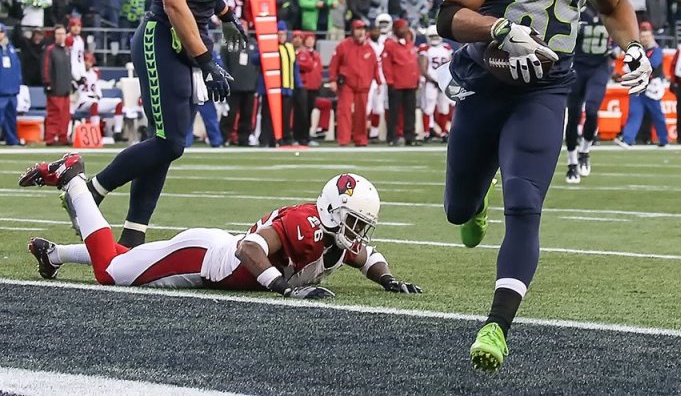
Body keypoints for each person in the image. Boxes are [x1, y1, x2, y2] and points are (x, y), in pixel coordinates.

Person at [436, 0, 651, 371]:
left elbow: (614, 3)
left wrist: (635, 47)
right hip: (487, 81)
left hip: (546, 86)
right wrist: (499, 29)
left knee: (526, 202)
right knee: (457, 208)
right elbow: (450, 15)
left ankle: (497, 326)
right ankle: (475, 201)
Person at [62, 0, 243, 247]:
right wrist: (207, 60)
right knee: (170, 142)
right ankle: (87, 192)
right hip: (163, 35)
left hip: (190, 35)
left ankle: (132, 237)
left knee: (164, 142)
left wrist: (226, 15)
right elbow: (175, 2)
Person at [21, 154, 421, 296]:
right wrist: (284, 289)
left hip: (208, 253)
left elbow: (366, 256)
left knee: (132, 260)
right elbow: (249, 249)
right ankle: (73, 179)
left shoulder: (332, 234)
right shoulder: (307, 225)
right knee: (109, 271)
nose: (357, 232)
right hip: (202, 259)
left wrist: (388, 280)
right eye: (353, 221)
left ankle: (53, 254)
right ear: (333, 210)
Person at [564, 4, 612, 182]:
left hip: (599, 67)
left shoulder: (609, 11)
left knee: (592, 110)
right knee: (574, 114)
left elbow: (624, 30)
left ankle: (584, 151)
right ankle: (572, 162)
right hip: (577, 66)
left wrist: (618, 48)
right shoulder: (577, 11)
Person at [616, 22, 668, 148]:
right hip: (638, 84)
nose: (645, 39)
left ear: (652, 37)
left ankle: (663, 139)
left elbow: (652, 64)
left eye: (647, 36)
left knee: (657, 114)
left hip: (651, 86)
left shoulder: (656, 51)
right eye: (643, 36)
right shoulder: (639, 50)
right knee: (635, 112)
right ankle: (628, 139)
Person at [328, 20, 379, 147]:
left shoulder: (369, 48)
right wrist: (332, 80)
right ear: (352, 31)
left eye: (362, 29)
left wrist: (378, 81)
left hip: (363, 84)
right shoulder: (343, 46)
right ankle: (344, 139)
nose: (361, 32)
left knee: (361, 113)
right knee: (344, 111)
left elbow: (375, 65)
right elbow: (334, 64)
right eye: (358, 29)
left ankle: (360, 139)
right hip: (347, 83)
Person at [382, 18, 421, 146]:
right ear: (396, 29)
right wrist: (390, 81)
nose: (406, 30)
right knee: (394, 112)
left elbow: (414, 63)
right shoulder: (390, 45)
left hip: (410, 83)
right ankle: (392, 137)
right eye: (403, 27)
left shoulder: (409, 43)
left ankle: (410, 136)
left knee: (410, 112)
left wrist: (416, 79)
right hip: (396, 84)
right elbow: (386, 64)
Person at [418, 25, 454, 141]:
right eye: (432, 36)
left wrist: (446, 79)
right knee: (428, 108)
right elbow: (423, 68)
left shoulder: (446, 48)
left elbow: (450, 65)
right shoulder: (425, 48)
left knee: (444, 108)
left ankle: (443, 132)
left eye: (436, 36)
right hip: (431, 82)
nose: (434, 38)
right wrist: (433, 80)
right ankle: (427, 132)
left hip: (443, 82)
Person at [42, 24, 73, 146]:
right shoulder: (50, 50)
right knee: (54, 115)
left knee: (65, 116)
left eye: (62, 34)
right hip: (54, 88)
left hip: (65, 88)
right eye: (58, 34)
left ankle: (63, 136)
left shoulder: (67, 50)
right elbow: (46, 67)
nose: (61, 36)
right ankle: (50, 138)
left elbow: (69, 69)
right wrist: (47, 83)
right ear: (55, 36)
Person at [295, 31, 323, 146]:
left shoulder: (316, 55)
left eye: (312, 39)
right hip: (304, 86)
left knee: (309, 112)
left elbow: (318, 70)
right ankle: (299, 136)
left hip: (313, 87)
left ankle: (306, 136)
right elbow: (307, 66)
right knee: (302, 113)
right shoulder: (301, 53)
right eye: (308, 39)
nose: (310, 41)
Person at [366, 13, 391, 142]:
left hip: (383, 78)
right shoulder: (367, 43)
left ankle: (374, 133)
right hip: (370, 77)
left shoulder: (390, 41)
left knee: (379, 107)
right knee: (367, 107)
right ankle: (365, 132)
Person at [0, 23, 22, 145]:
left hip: (12, 90)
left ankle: (12, 139)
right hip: (1, 90)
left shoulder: (10, 49)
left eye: (1, 32)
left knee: (11, 118)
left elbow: (17, 67)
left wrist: (18, 84)